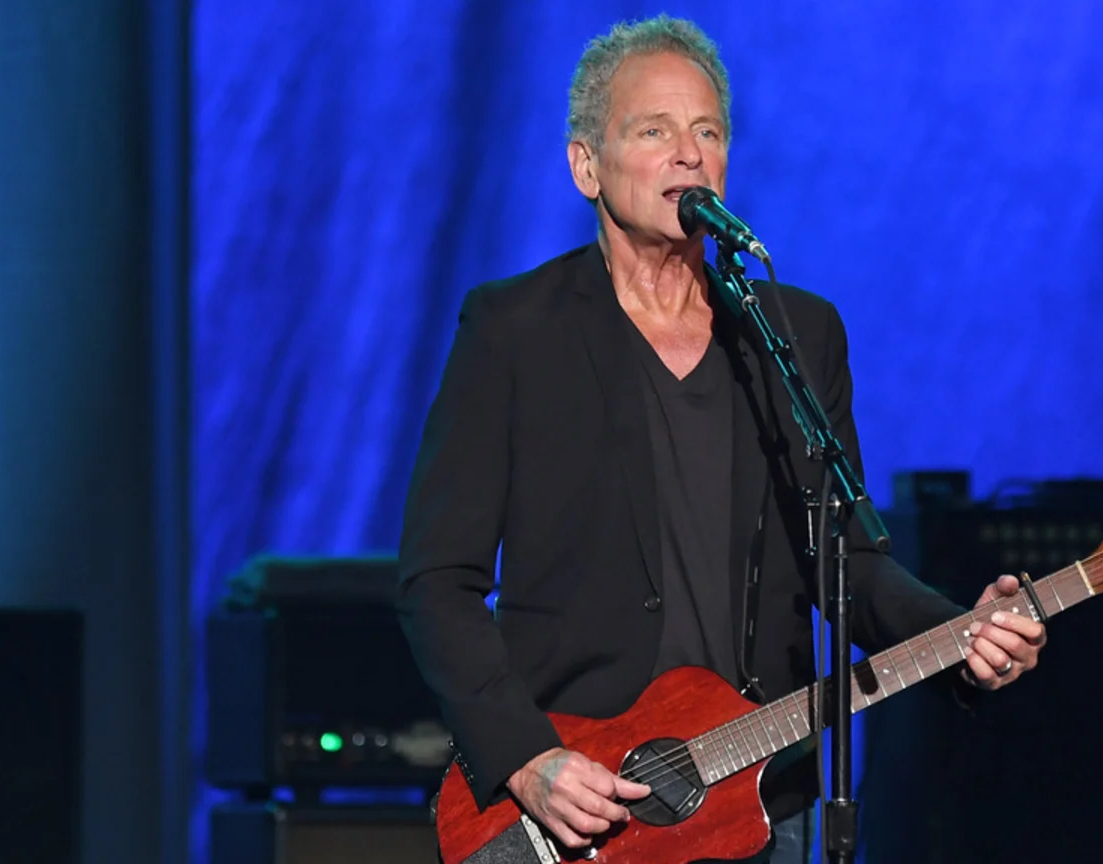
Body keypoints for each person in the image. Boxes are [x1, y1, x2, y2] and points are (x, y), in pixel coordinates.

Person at [395, 14, 1046, 864]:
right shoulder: (515, 331)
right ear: (585, 164)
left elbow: (847, 562)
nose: (689, 153)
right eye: (654, 130)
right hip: (586, 802)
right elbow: (436, 581)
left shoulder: (794, 335)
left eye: (707, 132)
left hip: (758, 795)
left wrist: (966, 634)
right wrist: (525, 758)